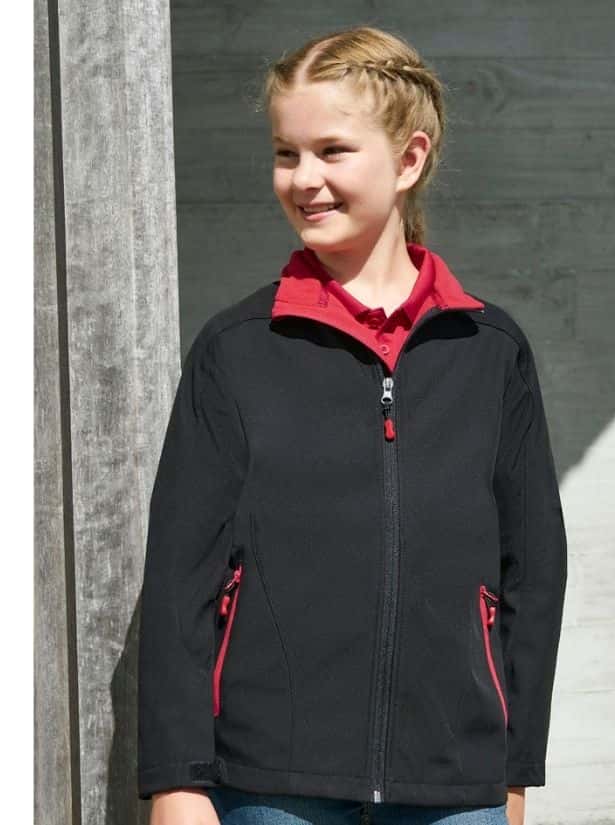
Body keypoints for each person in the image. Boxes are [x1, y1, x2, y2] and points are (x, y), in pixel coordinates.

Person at [137, 25, 568, 825]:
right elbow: (178, 577)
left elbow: (534, 573)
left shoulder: (489, 351)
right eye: (286, 153)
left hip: (454, 783)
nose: (304, 179)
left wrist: (514, 772)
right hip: (269, 782)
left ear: (409, 159)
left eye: (332, 151)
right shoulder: (237, 350)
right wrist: (176, 780)